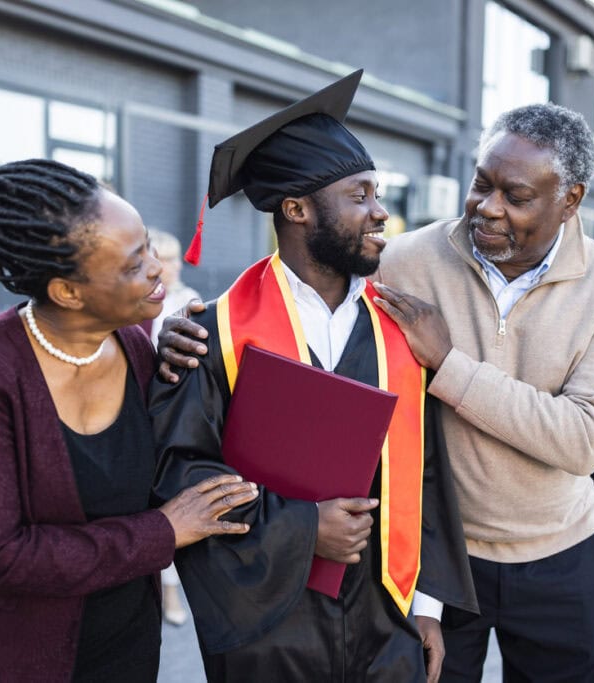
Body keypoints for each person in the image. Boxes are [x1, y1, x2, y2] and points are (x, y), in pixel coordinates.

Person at [159, 102, 594, 681]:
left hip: (539, 557)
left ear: (570, 199)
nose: (488, 208)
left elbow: (567, 443)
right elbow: (306, 272)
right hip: (353, 591)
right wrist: (172, 333)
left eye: (515, 197)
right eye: (481, 185)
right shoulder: (398, 263)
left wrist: (448, 363)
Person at [150, 70, 476, 683]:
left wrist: (427, 607)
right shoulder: (213, 333)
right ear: (296, 209)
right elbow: (184, 475)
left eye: (376, 194)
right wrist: (304, 531)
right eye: (360, 195)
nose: (381, 212)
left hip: (388, 622)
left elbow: (428, 470)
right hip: (268, 629)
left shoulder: (402, 329)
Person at [0, 159, 259, 682]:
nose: (158, 269)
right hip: (3, 657)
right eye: (134, 265)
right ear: (68, 292)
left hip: (120, 648)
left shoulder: (135, 345)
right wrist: (162, 533)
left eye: (150, 247)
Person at [146, 228, 201, 626]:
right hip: (141, 413)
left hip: (175, 415)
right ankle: (161, 591)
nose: (170, 267)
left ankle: (173, 592)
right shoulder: (136, 303)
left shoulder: (190, 302)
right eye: (162, 257)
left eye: (174, 258)